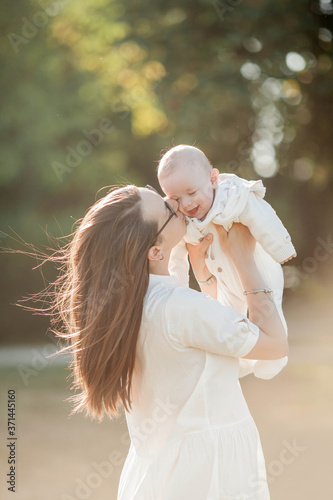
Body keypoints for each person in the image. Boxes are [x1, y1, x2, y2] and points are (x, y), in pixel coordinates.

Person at [10, 184, 287, 499]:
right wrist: (244, 259)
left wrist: (203, 274)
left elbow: (210, 348)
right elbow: (274, 345)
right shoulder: (177, 307)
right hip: (208, 479)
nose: (174, 201)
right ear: (155, 251)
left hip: (161, 476)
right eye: (167, 209)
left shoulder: (128, 308)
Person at [157, 144, 296, 380]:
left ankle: (273, 360)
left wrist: (281, 248)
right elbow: (176, 256)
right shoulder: (181, 219)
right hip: (225, 283)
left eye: (192, 192)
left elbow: (261, 215)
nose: (187, 203)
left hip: (259, 271)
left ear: (213, 178)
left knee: (267, 312)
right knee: (229, 320)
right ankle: (241, 364)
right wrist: (177, 287)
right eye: (176, 198)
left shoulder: (232, 197)